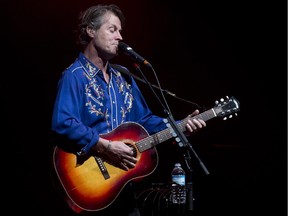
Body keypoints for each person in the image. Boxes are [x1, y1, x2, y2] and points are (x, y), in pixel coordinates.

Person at [50, 4, 206, 216]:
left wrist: (180, 127)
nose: (120, 37)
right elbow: (63, 123)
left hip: (122, 187)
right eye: (113, 29)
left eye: (120, 31)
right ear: (91, 31)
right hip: (89, 183)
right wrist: (105, 147)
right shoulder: (74, 76)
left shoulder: (122, 77)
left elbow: (145, 120)